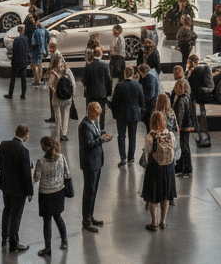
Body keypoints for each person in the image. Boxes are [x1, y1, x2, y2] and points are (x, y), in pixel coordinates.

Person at [32, 136, 70, 256]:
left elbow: (36, 178)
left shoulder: (40, 162)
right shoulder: (62, 158)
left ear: (44, 148)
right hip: (59, 192)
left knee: (47, 221)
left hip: (45, 194)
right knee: (58, 217)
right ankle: (64, 241)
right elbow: (67, 173)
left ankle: (48, 247)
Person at [0, 124, 32, 253]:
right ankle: (14, 243)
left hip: (6, 185)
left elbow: (0, 164)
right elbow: (26, 174)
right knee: (16, 215)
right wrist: (29, 192)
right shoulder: (24, 151)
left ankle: (4, 237)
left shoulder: (4, 144)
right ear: (26, 135)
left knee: (7, 210)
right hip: (19, 189)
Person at [78, 101, 113, 233]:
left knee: (93, 192)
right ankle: (86, 221)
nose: (98, 117)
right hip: (90, 163)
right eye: (97, 114)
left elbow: (96, 133)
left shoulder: (92, 122)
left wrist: (102, 133)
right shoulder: (84, 126)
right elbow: (88, 144)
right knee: (89, 192)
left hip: (96, 162)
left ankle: (90, 216)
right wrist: (102, 139)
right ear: (91, 112)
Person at [140, 111, 177, 231]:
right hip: (168, 169)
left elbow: (146, 153)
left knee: (152, 196)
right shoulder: (170, 134)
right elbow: (176, 150)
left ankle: (153, 222)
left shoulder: (150, 136)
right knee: (165, 196)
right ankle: (163, 221)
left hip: (154, 168)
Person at [111, 66, 144, 167]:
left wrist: (115, 114)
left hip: (121, 114)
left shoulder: (119, 86)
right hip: (134, 114)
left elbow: (114, 102)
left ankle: (123, 158)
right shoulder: (138, 85)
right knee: (132, 136)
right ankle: (131, 157)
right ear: (133, 74)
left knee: (121, 136)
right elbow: (142, 102)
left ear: (124, 74)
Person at [187, 54, 214, 148]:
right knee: (202, 119)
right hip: (201, 98)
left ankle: (203, 140)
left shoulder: (195, 71)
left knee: (199, 120)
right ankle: (205, 139)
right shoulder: (204, 68)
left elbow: (192, 85)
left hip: (196, 98)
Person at [82, 47, 112, 130]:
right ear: (101, 54)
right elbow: (108, 80)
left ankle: (92, 129)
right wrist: (109, 93)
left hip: (90, 93)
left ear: (93, 55)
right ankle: (101, 129)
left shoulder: (88, 66)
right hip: (101, 93)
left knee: (91, 112)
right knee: (101, 112)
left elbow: (84, 80)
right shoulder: (105, 65)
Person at [171, 79, 195, 178]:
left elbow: (180, 116)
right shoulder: (187, 97)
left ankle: (187, 170)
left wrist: (177, 129)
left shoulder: (181, 99)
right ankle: (182, 167)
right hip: (187, 126)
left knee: (184, 148)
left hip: (183, 127)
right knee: (183, 147)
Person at [51, 53, 75, 142]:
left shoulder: (54, 72)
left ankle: (59, 131)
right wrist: (72, 94)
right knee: (66, 114)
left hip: (57, 97)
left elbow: (51, 85)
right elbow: (73, 84)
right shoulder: (68, 71)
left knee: (58, 115)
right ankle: (64, 134)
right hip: (67, 98)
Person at [5, 25, 30, 100]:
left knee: (13, 78)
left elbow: (14, 52)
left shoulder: (16, 41)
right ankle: (23, 94)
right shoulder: (26, 39)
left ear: (18, 31)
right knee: (23, 78)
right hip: (24, 61)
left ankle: (10, 94)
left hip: (17, 62)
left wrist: (12, 62)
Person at [138, 64, 160, 132]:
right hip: (147, 106)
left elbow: (151, 94)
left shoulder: (150, 78)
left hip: (151, 106)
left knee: (150, 126)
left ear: (141, 72)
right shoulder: (144, 78)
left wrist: (141, 101)